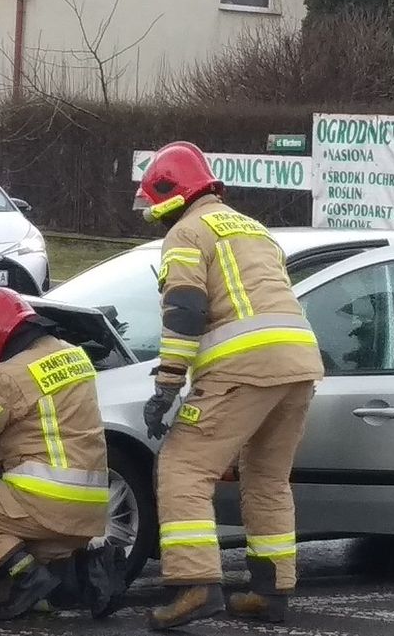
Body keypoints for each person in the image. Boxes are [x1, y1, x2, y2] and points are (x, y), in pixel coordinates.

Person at [135, 142, 323, 630]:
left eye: (155, 206)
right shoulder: (253, 229)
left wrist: (167, 383)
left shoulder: (186, 232)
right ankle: (272, 590)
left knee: (183, 468)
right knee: (267, 477)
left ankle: (195, 585)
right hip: (299, 362)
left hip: (244, 366)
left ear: (169, 195)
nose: (153, 217)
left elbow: (185, 310)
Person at [0, 287, 126, 620]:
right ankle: (85, 574)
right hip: (89, 504)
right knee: (40, 568)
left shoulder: (7, 376)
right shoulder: (74, 355)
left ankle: (24, 574)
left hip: (40, 498)